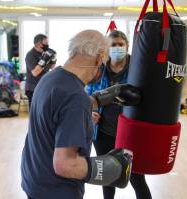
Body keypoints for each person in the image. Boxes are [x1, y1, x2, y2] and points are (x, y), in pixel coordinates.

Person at [21, 30, 139, 199]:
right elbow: (65, 165)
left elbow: (60, 109)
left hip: (34, 179)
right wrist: (114, 167)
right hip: (58, 191)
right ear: (98, 59)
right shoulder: (76, 98)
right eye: (102, 63)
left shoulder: (51, 78)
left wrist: (103, 97)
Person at [86, 30, 152, 199]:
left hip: (129, 133)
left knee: (137, 178)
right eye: (112, 45)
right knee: (107, 178)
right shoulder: (99, 68)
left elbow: (146, 96)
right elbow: (89, 93)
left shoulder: (137, 68)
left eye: (120, 44)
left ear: (127, 46)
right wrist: (91, 111)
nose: (116, 48)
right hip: (102, 132)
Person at [25, 34, 57, 108]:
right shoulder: (30, 55)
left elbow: (52, 67)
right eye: (46, 43)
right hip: (33, 88)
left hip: (43, 85)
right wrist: (44, 60)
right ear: (39, 44)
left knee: (43, 110)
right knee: (34, 111)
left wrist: (54, 59)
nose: (47, 45)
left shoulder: (44, 53)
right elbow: (35, 73)